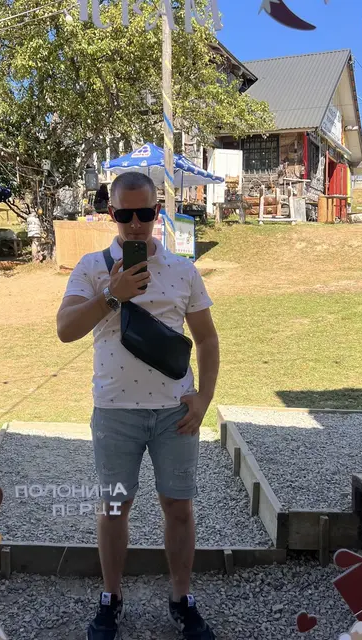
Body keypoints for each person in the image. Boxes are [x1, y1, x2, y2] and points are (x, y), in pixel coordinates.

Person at [57, 171, 220, 640]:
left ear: (157, 212)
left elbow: (207, 339)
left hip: (175, 413)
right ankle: (111, 598)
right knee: (113, 508)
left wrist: (204, 398)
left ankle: (182, 599)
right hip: (114, 411)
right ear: (111, 213)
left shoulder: (183, 270)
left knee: (179, 507)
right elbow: (66, 329)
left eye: (144, 213)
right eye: (124, 214)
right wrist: (112, 294)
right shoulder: (92, 267)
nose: (134, 224)